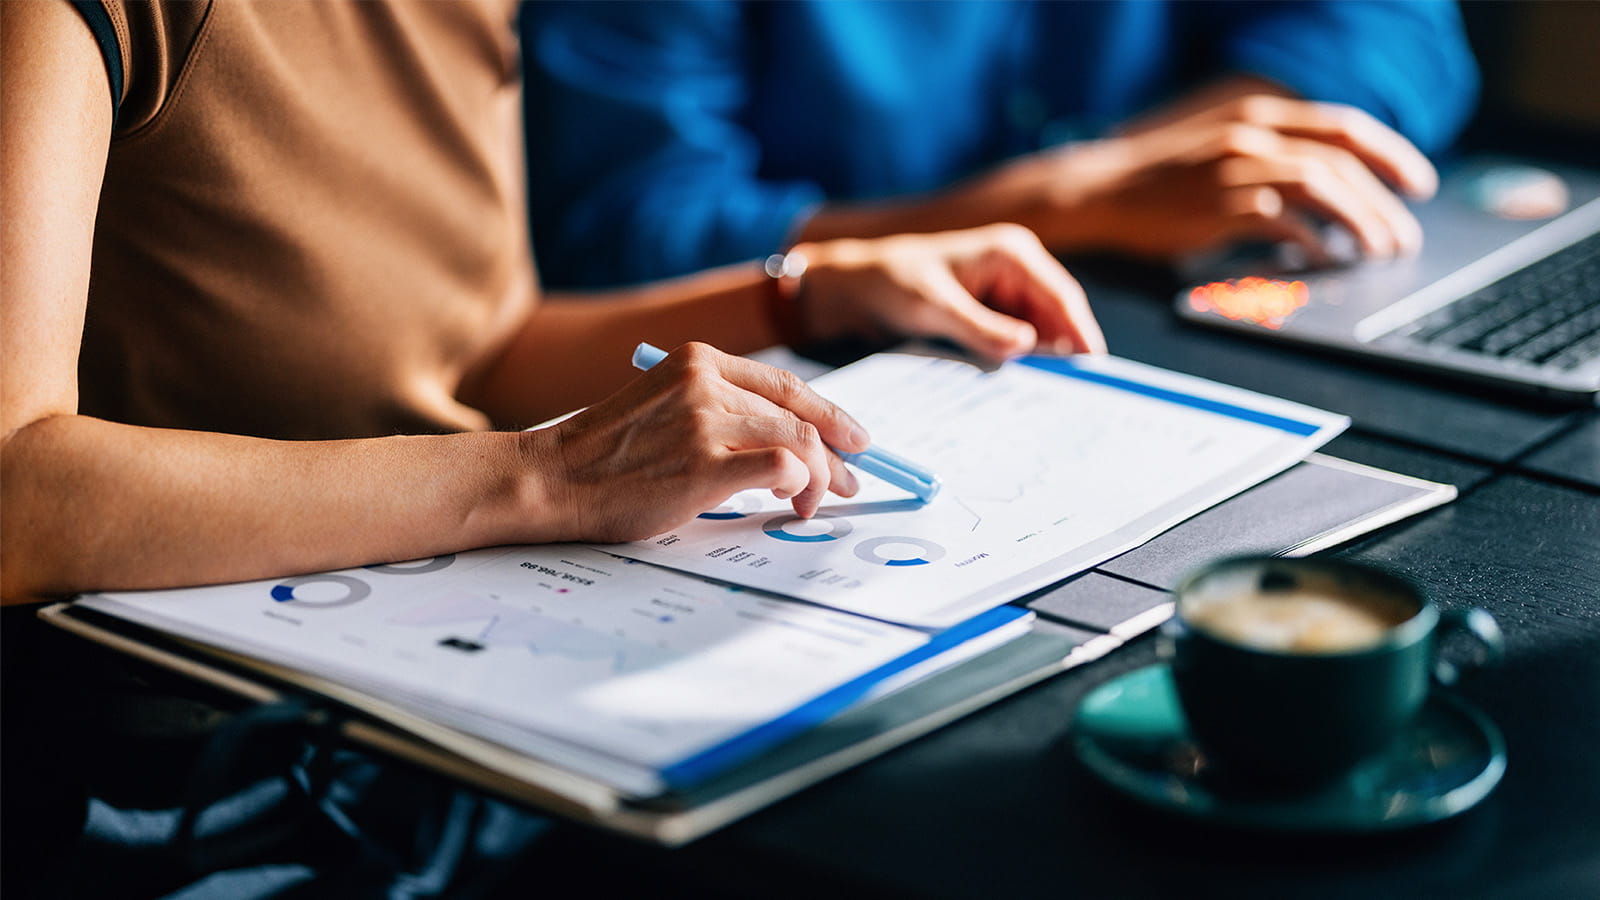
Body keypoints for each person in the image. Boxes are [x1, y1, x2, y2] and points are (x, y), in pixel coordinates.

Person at [0, 2, 1101, 895]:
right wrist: (549, 477)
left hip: (426, 740)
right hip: (167, 788)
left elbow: (477, 350)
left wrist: (809, 295)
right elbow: (17, 488)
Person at [522, 0, 1480, 288]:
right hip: (833, 362)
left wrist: (1152, 171)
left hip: (1164, 292)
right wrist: (1071, 198)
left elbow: (1394, 32)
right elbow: (628, 232)